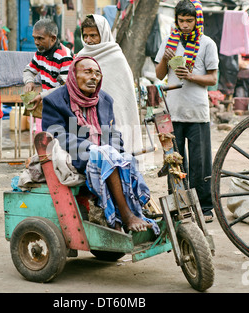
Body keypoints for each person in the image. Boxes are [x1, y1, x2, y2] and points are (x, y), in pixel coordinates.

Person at [42, 56, 159, 234]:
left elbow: (111, 133)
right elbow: (59, 137)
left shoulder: (104, 100)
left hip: (103, 156)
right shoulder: (55, 101)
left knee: (125, 158)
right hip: (73, 156)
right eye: (87, 72)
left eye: (97, 73)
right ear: (73, 74)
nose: (94, 77)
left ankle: (129, 214)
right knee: (106, 155)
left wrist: (114, 152)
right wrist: (93, 149)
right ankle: (126, 216)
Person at [155, 0, 219, 222]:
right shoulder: (169, 41)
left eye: (189, 21)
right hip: (173, 112)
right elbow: (158, 74)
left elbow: (213, 78)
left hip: (197, 112)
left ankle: (205, 208)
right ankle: (178, 206)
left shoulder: (207, 44)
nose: (184, 25)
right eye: (181, 20)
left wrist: (190, 76)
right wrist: (166, 57)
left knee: (200, 163)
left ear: (197, 20)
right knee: (175, 162)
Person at [77, 14, 143, 155]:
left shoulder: (116, 56)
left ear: (103, 34)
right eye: (85, 35)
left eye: (93, 35)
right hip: (88, 115)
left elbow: (124, 96)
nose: (89, 40)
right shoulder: (80, 57)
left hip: (114, 116)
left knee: (116, 152)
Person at [23, 19, 73, 131]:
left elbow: (65, 87)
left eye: (40, 38)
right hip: (49, 104)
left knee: (59, 142)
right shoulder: (41, 52)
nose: (36, 42)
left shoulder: (64, 56)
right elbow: (29, 70)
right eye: (34, 38)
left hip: (64, 109)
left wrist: (41, 96)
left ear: (53, 38)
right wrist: (29, 81)